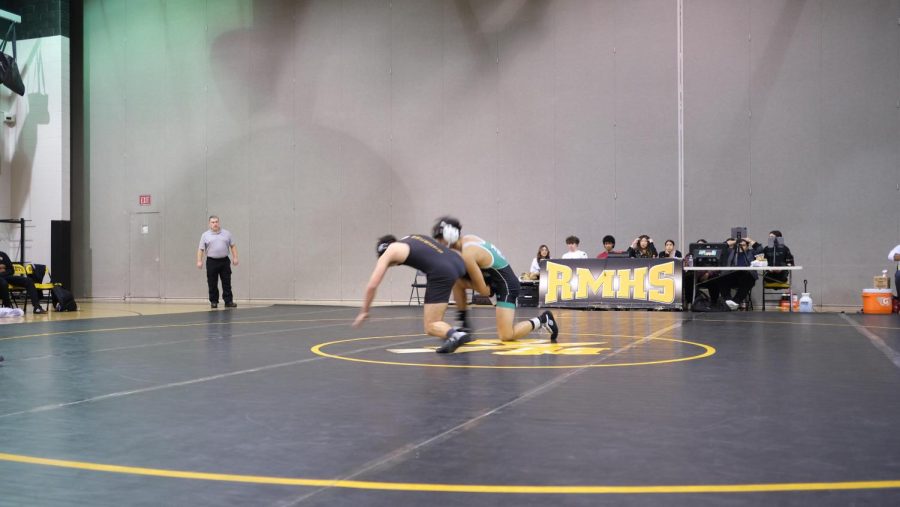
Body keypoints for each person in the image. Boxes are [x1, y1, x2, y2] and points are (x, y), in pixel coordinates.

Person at [432, 217, 559, 343]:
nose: (438, 243)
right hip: (494, 280)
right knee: (457, 279)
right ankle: (464, 324)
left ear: (450, 236)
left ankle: (544, 319)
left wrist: (491, 292)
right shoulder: (467, 240)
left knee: (507, 335)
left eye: (439, 239)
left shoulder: (467, 254)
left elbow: (483, 291)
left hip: (507, 286)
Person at [353, 231, 471, 354]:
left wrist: (364, 311)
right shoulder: (412, 238)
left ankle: (455, 335)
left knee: (431, 325)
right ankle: (464, 323)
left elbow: (372, 286)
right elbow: (433, 254)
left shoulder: (389, 251)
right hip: (458, 261)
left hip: (441, 271)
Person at [196, 215, 239, 309]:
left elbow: (233, 246)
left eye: (216, 222)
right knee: (212, 282)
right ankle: (214, 301)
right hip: (212, 261)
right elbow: (201, 249)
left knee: (227, 282)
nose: (215, 224)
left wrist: (235, 257)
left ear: (219, 223)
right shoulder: (205, 235)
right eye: (213, 222)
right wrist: (199, 260)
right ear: (209, 224)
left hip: (224, 261)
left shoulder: (227, 233)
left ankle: (228, 301)